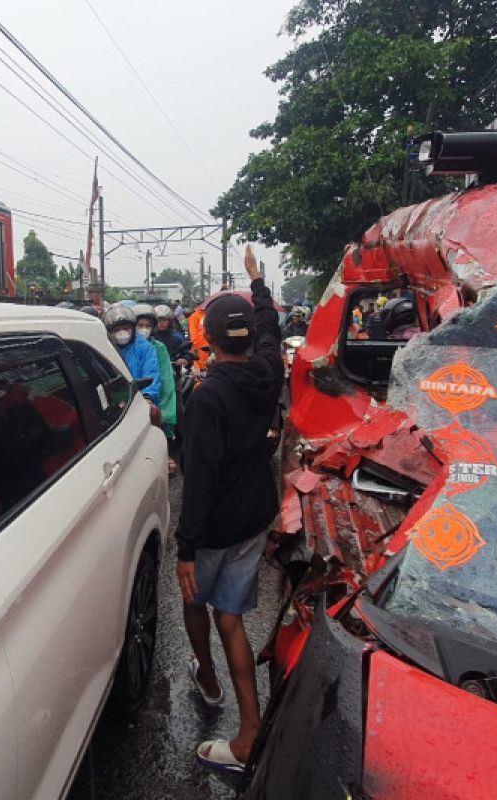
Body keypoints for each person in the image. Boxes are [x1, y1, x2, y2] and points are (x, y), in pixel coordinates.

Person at [176, 245, 283, 773]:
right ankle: (249, 728)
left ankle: (212, 682)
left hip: (216, 525)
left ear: (208, 340)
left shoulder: (208, 397)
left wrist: (185, 549)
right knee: (234, 619)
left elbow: (197, 484)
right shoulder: (267, 372)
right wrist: (258, 284)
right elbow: (271, 333)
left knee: (196, 599)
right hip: (255, 516)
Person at [134, 304, 178, 471]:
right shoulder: (125, 347)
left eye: (147, 325)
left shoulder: (158, 347)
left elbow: (165, 378)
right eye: (140, 325)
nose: (144, 329)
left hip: (153, 396)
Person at [102, 305, 161, 405]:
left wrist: (148, 396)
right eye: (117, 330)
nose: (122, 333)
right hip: (112, 403)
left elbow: (152, 372)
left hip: (139, 401)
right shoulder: (105, 348)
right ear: (109, 332)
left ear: (133, 329)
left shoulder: (145, 347)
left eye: (126, 328)